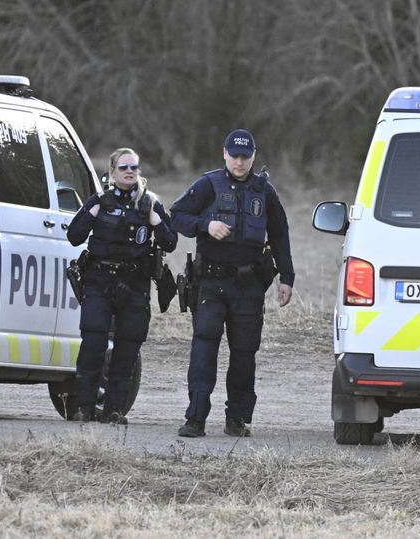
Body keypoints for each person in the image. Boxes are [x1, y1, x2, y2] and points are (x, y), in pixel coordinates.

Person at [170, 129, 294, 438]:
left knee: (244, 353)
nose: (239, 162)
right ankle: (195, 418)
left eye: (245, 157)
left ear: (253, 156)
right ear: (225, 154)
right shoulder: (208, 185)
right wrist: (205, 225)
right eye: (234, 156)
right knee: (204, 349)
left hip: (249, 285)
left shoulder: (265, 191)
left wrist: (287, 278)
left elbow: (280, 234)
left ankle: (236, 418)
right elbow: (177, 215)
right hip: (211, 283)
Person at [66, 147, 177, 424]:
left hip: (134, 283)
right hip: (99, 281)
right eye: (124, 168)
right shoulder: (99, 201)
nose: (130, 172)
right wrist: (91, 212)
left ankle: (115, 410)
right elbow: (74, 236)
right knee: (93, 344)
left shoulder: (150, 203)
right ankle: (84, 408)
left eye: (134, 168)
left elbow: (171, 242)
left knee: (127, 349)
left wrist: (155, 220)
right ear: (113, 172)